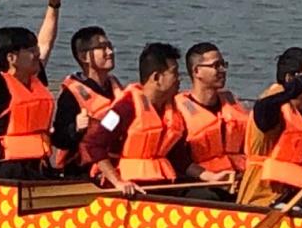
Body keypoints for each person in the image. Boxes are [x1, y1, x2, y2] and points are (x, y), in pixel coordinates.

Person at [82, 42, 210, 196]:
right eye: (174, 73)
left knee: (206, 195)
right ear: (157, 78)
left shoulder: (172, 110)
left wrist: (209, 176)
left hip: (162, 184)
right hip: (130, 189)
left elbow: (178, 157)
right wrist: (118, 182)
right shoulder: (125, 108)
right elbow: (94, 144)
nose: (179, 79)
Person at [0, 0, 70, 180]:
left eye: (35, 49)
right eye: (31, 50)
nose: (37, 54)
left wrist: (54, 5)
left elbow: (46, 42)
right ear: (11, 58)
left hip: (38, 165)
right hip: (6, 169)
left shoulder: (35, 78)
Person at [239, 47, 302, 207]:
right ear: (291, 79)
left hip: (298, 195)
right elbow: (263, 105)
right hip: (264, 198)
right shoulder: (271, 109)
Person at [51, 24, 127, 171]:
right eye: (102, 48)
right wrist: (76, 128)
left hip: (115, 163)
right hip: (83, 168)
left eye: (110, 46)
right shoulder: (71, 94)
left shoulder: (115, 86)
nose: (110, 52)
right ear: (84, 57)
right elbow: (59, 139)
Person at [176, 42, 251, 182]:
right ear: (197, 71)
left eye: (223, 64)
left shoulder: (232, 103)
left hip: (239, 179)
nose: (222, 70)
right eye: (216, 66)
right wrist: (209, 177)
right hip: (202, 182)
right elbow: (177, 158)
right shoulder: (180, 111)